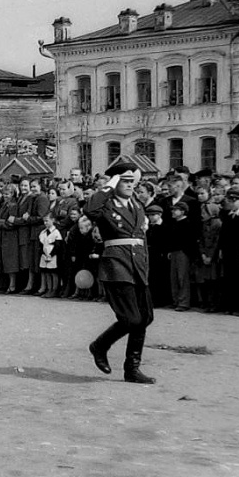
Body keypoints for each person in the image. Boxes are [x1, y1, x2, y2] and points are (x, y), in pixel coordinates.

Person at [86, 163, 156, 385]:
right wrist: (108, 186)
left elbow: (142, 239)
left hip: (137, 266)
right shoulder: (106, 205)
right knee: (131, 318)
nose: (129, 184)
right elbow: (90, 210)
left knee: (145, 318)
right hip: (117, 265)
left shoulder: (137, 205)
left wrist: (145, 266)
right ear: (115, 182)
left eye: (131, 181)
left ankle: (132, 369)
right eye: (124, 181)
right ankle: (100, 346)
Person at [168, 202, 195, 311]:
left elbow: (190, 241)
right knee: (174, 277)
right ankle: (176, 300)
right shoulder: (174, 223)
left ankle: (183, 302)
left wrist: (185, 252)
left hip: (183, 252)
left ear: (183, 211)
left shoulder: (187, 223)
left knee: (182, 277)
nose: (173, 212)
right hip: (174, 252)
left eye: (176, 210)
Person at [0, 183, 21, 293]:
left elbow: (11, 223)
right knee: (6, 260)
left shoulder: (13, 205)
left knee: (11, 261)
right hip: (4, 236)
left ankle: (13, 284)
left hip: (10, 237)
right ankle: (8, 284)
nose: (5, 196)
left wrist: (0, 223)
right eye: (4, 194)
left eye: (8, 194)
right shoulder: (4, 204)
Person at [37, 213, 62, 297]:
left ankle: (54, 290)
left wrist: (51, 254)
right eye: (44, 221)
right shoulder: (43, 232)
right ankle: (49, 289)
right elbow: (41, 245)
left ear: (53, 220)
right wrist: (43, 254)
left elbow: (58, 246)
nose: (45, 223)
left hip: (53, 256)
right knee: (46, 272)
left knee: (53, 273)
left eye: (47, 221)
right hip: (44, 255)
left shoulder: (56, 232)